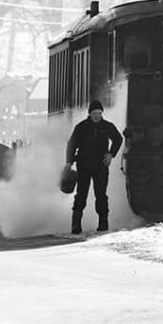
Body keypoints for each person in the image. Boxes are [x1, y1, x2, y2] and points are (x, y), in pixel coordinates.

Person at [65, 100, 123, 234]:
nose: (97, 115)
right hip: (83, 165)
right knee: (81, 195)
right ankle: (76, 226)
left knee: (101, 195)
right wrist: (69, 162)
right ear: (89, 113)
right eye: (94, 113)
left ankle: (103, 224)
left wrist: (111, 154)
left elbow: (118, 139)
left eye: (99, 113)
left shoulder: (107, 126)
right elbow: (71, 144)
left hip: (101, 165)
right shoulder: (81, 127)